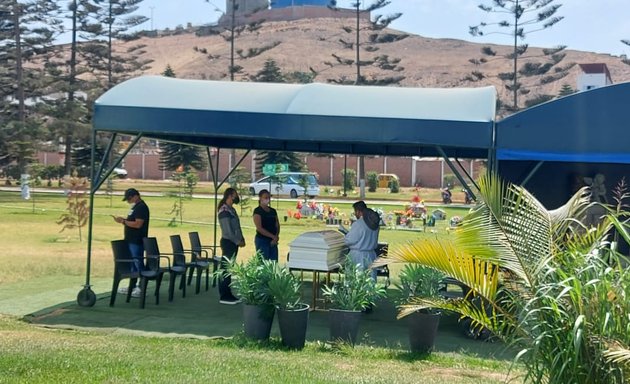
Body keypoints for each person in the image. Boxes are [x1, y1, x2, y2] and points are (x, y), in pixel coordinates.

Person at [112, 188, 150, 298]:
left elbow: (138, 224)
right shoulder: (135, 207)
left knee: (138, 263)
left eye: (129, 198)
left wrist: (123, 221)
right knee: (133, 265)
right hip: (131, 240)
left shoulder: (141, 207)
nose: (129, 201)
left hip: (136, 240)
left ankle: (142, 287)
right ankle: (132, 286)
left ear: (136, 196)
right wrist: (124, 221)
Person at [217, 187, 245, 305]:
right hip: (228, 242)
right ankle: (224, 295)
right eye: (235, 194)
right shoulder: (224, 211)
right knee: (225, 269)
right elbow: (227, 231)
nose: (236, 196)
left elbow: (237, 227)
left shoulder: (231, 209)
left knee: (229, 269)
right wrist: (237, 241)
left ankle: (228, 294)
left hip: (233, 243)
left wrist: (241, 238)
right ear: (230, 195)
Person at [344, 200, 380, 279]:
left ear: (358, 211)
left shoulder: (359, 223)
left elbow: (350, 240)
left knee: (356, 280)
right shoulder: (375, 222)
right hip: (371, 254)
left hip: (358, 255)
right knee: (370, 280)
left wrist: (346, 236)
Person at [253, 189, 280, 261]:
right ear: (260, 198)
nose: (267, 199)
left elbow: (277, 225)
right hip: (262, 240)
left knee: (273, 262)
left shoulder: (273, 211)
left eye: (268, 197)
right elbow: (259, 228)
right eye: (265, 197)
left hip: (273, 241)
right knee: (263, 261)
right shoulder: (258, 211)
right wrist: (273, 236)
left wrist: (276, 236)